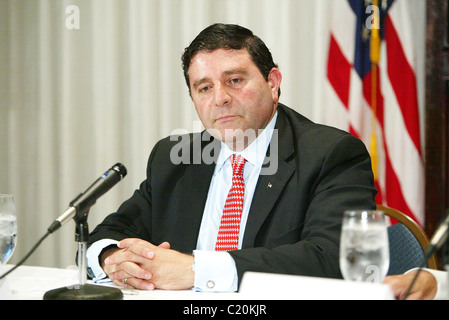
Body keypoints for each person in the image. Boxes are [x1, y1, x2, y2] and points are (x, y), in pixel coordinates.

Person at [86, 23, 377, 292]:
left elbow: (335, 259)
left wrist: (196, 270)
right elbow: (110, 233)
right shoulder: (174, 158)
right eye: (204, 88)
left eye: (235, 80)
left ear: (272, 82)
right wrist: (112, 258)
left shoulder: (331, 154)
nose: (220, 98)